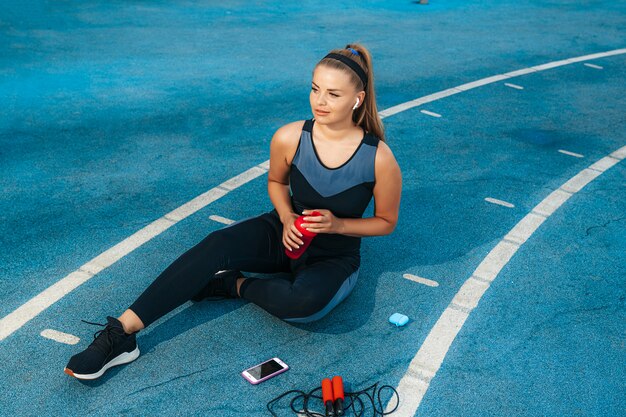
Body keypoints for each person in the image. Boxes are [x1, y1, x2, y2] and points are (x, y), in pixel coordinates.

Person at [64, 43, 402, 380]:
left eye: (333, 94)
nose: (320, 101)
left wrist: (339, 224)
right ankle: (123, 333)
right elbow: (275, 183)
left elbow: (386, 222)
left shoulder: (379, 158)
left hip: (333, 256)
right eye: (315, 89)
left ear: (357, 100)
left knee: (305, 306)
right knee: (217, 244)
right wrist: (285, 218)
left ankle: (232, 286)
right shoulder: (289, 137)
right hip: (283, 232)